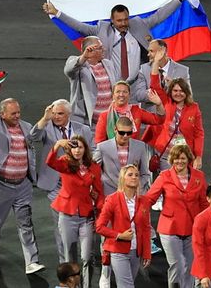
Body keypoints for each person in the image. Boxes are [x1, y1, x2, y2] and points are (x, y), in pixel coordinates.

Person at [43, 0, 190, 81]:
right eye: (119, 21)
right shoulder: (101, 29)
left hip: (137, 82)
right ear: (112, 21)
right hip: (111, 84)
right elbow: (79, 26)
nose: (124, 23)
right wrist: (57, 13)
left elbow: (159, 15)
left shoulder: (138, 24)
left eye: (126, 19)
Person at [0, 92, 45, 274]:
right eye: (13, 113)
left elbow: (34, 135)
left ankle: (31, 261)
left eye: (18, 112)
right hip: (0, 185)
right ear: (3, 114)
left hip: (23, 185)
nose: (17, 116)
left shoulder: (25, 126)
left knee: (26, 223)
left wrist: (45, 118)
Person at [29, 99, 93, 263]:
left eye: (60, 114)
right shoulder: (47, 127)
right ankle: (65, 263)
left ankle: (84, 256)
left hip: (78, 185)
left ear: (69, 114)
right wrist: (45, 118)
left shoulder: (82, 129)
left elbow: (92, 153)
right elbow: (32, 137)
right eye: (54, 113)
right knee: (61, 225)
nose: (56, 117)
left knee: (82, 224)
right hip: (55, 184)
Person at [145, 144, 208, 288]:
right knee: (178, 265)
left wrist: (206, 225)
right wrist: (137, 210)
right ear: (171, 160)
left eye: (182, 158)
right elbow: (149, 199)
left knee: (190, 267)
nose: (179, 162)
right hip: (170, 229)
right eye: (176, 159)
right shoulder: (164, 176)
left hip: (192, 228)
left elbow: (204, 203)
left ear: (188, 159)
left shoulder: (199, 177)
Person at [47, 135, 104, 288]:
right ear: (69, 149)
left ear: (85, 149)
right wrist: (58, 144)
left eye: (80, 147)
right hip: (67, 215)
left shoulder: (94, 167)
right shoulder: (65, 164)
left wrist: (99, 214)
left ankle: (86, 286)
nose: (77, 150)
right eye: (74, 147)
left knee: (87, 257)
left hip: (87, 216)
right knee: (69, 256)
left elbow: (99, 193)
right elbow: (50, 162)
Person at [143, 48, 204, 170]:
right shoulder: (166, 101)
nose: (178, 94)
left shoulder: (194, 108)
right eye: (175, 90)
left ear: (187, 92)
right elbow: (154, 83)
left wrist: (198, 156)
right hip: (165, 155)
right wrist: (156, 62)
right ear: (171, 92)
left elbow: (199, 134)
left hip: (185, 156)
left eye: (182, 91)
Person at [96, 164, 152, 288]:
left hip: (136, 252)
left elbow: (146, 228)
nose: (134, 177)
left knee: (128, 284)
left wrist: (147, 252)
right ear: (123, 178)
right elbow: (99, 226)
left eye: (137, 175)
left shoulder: (144, 201)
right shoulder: (112, 199)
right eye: (130, 175)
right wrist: (119, 235)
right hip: (118, 251)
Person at [64, 36, 120, 131]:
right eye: (100, 48)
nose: (104, 49)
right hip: (86, 123)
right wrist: (84, 57)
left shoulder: (108, 64)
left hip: (109, 122)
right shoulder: (78, 64)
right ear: (89, 50)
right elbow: (68, 70)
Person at [94, 80, 165, 143]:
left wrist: (159, 104)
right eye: (118, 92)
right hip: (111, 155)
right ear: (113, 95)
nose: (121, 95)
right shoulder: (105, 116)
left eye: (125, 92)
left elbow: (159, 120)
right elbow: (99, 142)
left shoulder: (136, 111)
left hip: (132, 154)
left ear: (129, 95)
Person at [133, 39, 190, 108]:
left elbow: (187, 94)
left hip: (174, 115)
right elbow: (139, 95)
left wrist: (173, 87)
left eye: (151, 51)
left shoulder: (182, 70)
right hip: (151, 115)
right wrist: (159, 92)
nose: (148, 55)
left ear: (163, 51)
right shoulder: (143, 69)